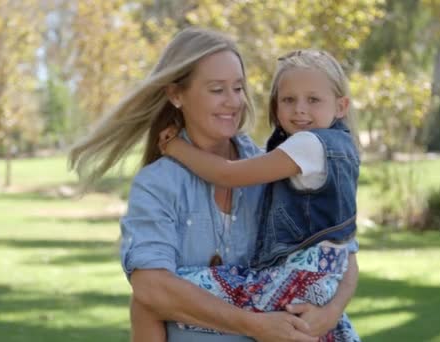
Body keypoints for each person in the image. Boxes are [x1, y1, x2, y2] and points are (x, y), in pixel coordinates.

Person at [68, 28, 357, 342]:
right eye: (218, 89)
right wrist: (254, 325)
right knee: (144, 301)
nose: (233, 102)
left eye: (238, 88)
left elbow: (345, 253)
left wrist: (329, 315)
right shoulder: (158, 184)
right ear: (176, 95)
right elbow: (150, 286)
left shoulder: (273, 171)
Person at [155, 49, 361, 341]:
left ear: (341, 106)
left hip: (297, 275)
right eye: (289, 100)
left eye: (313, 100)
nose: (299, 109)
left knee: (170, 292)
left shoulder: (308, 145)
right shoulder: (342, 149)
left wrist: (176, 148)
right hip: (324, 276)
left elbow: (228, 174)